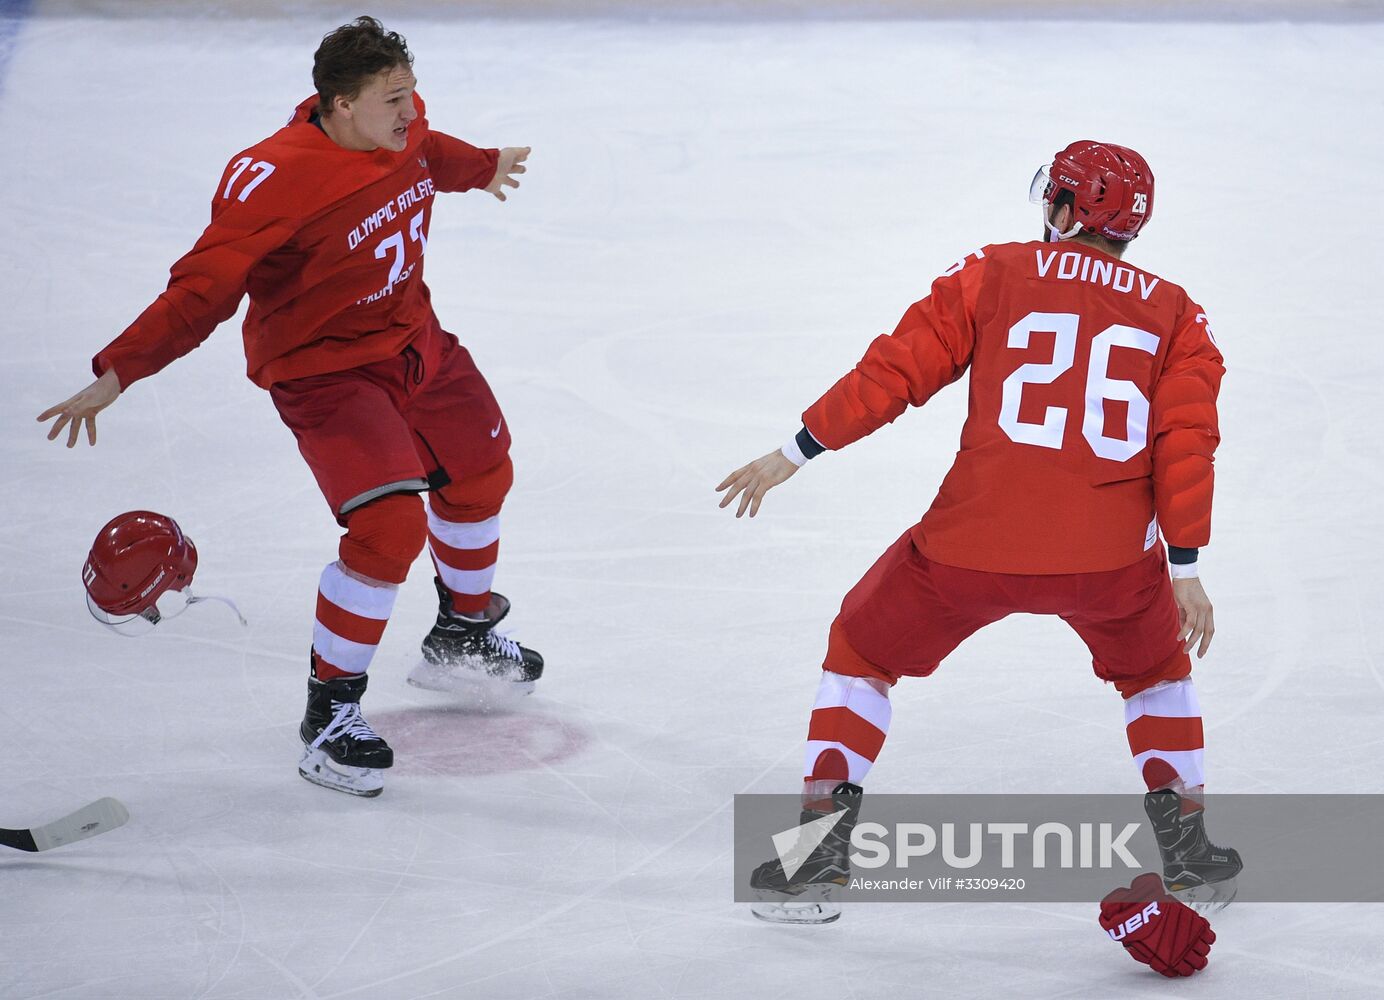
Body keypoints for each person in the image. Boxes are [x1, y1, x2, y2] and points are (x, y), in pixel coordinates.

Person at [717, 141, 1242, 921]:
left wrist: (796, 449)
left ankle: (816, 857)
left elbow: (896, 371)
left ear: (1067, 210)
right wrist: (1187, 567)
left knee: (860, 653)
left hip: (968, 547)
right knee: (1157, 672)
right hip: (1110, 565)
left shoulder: (995, 270)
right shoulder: (1176, 313)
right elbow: (1186, 441)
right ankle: (1192, 857)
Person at [38, 16, 542, 798]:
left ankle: (462, 636)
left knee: (483, 472)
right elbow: (201, 291)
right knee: (388, 527)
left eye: (411, 92)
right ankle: (328, 719)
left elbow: (429, 153)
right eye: (392, 98)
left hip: (415, 340)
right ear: (339, 105)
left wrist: (482, 168)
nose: (410, 110)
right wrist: (119, 372)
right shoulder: (273, 178)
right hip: (326, 372)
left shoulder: (401, 127)